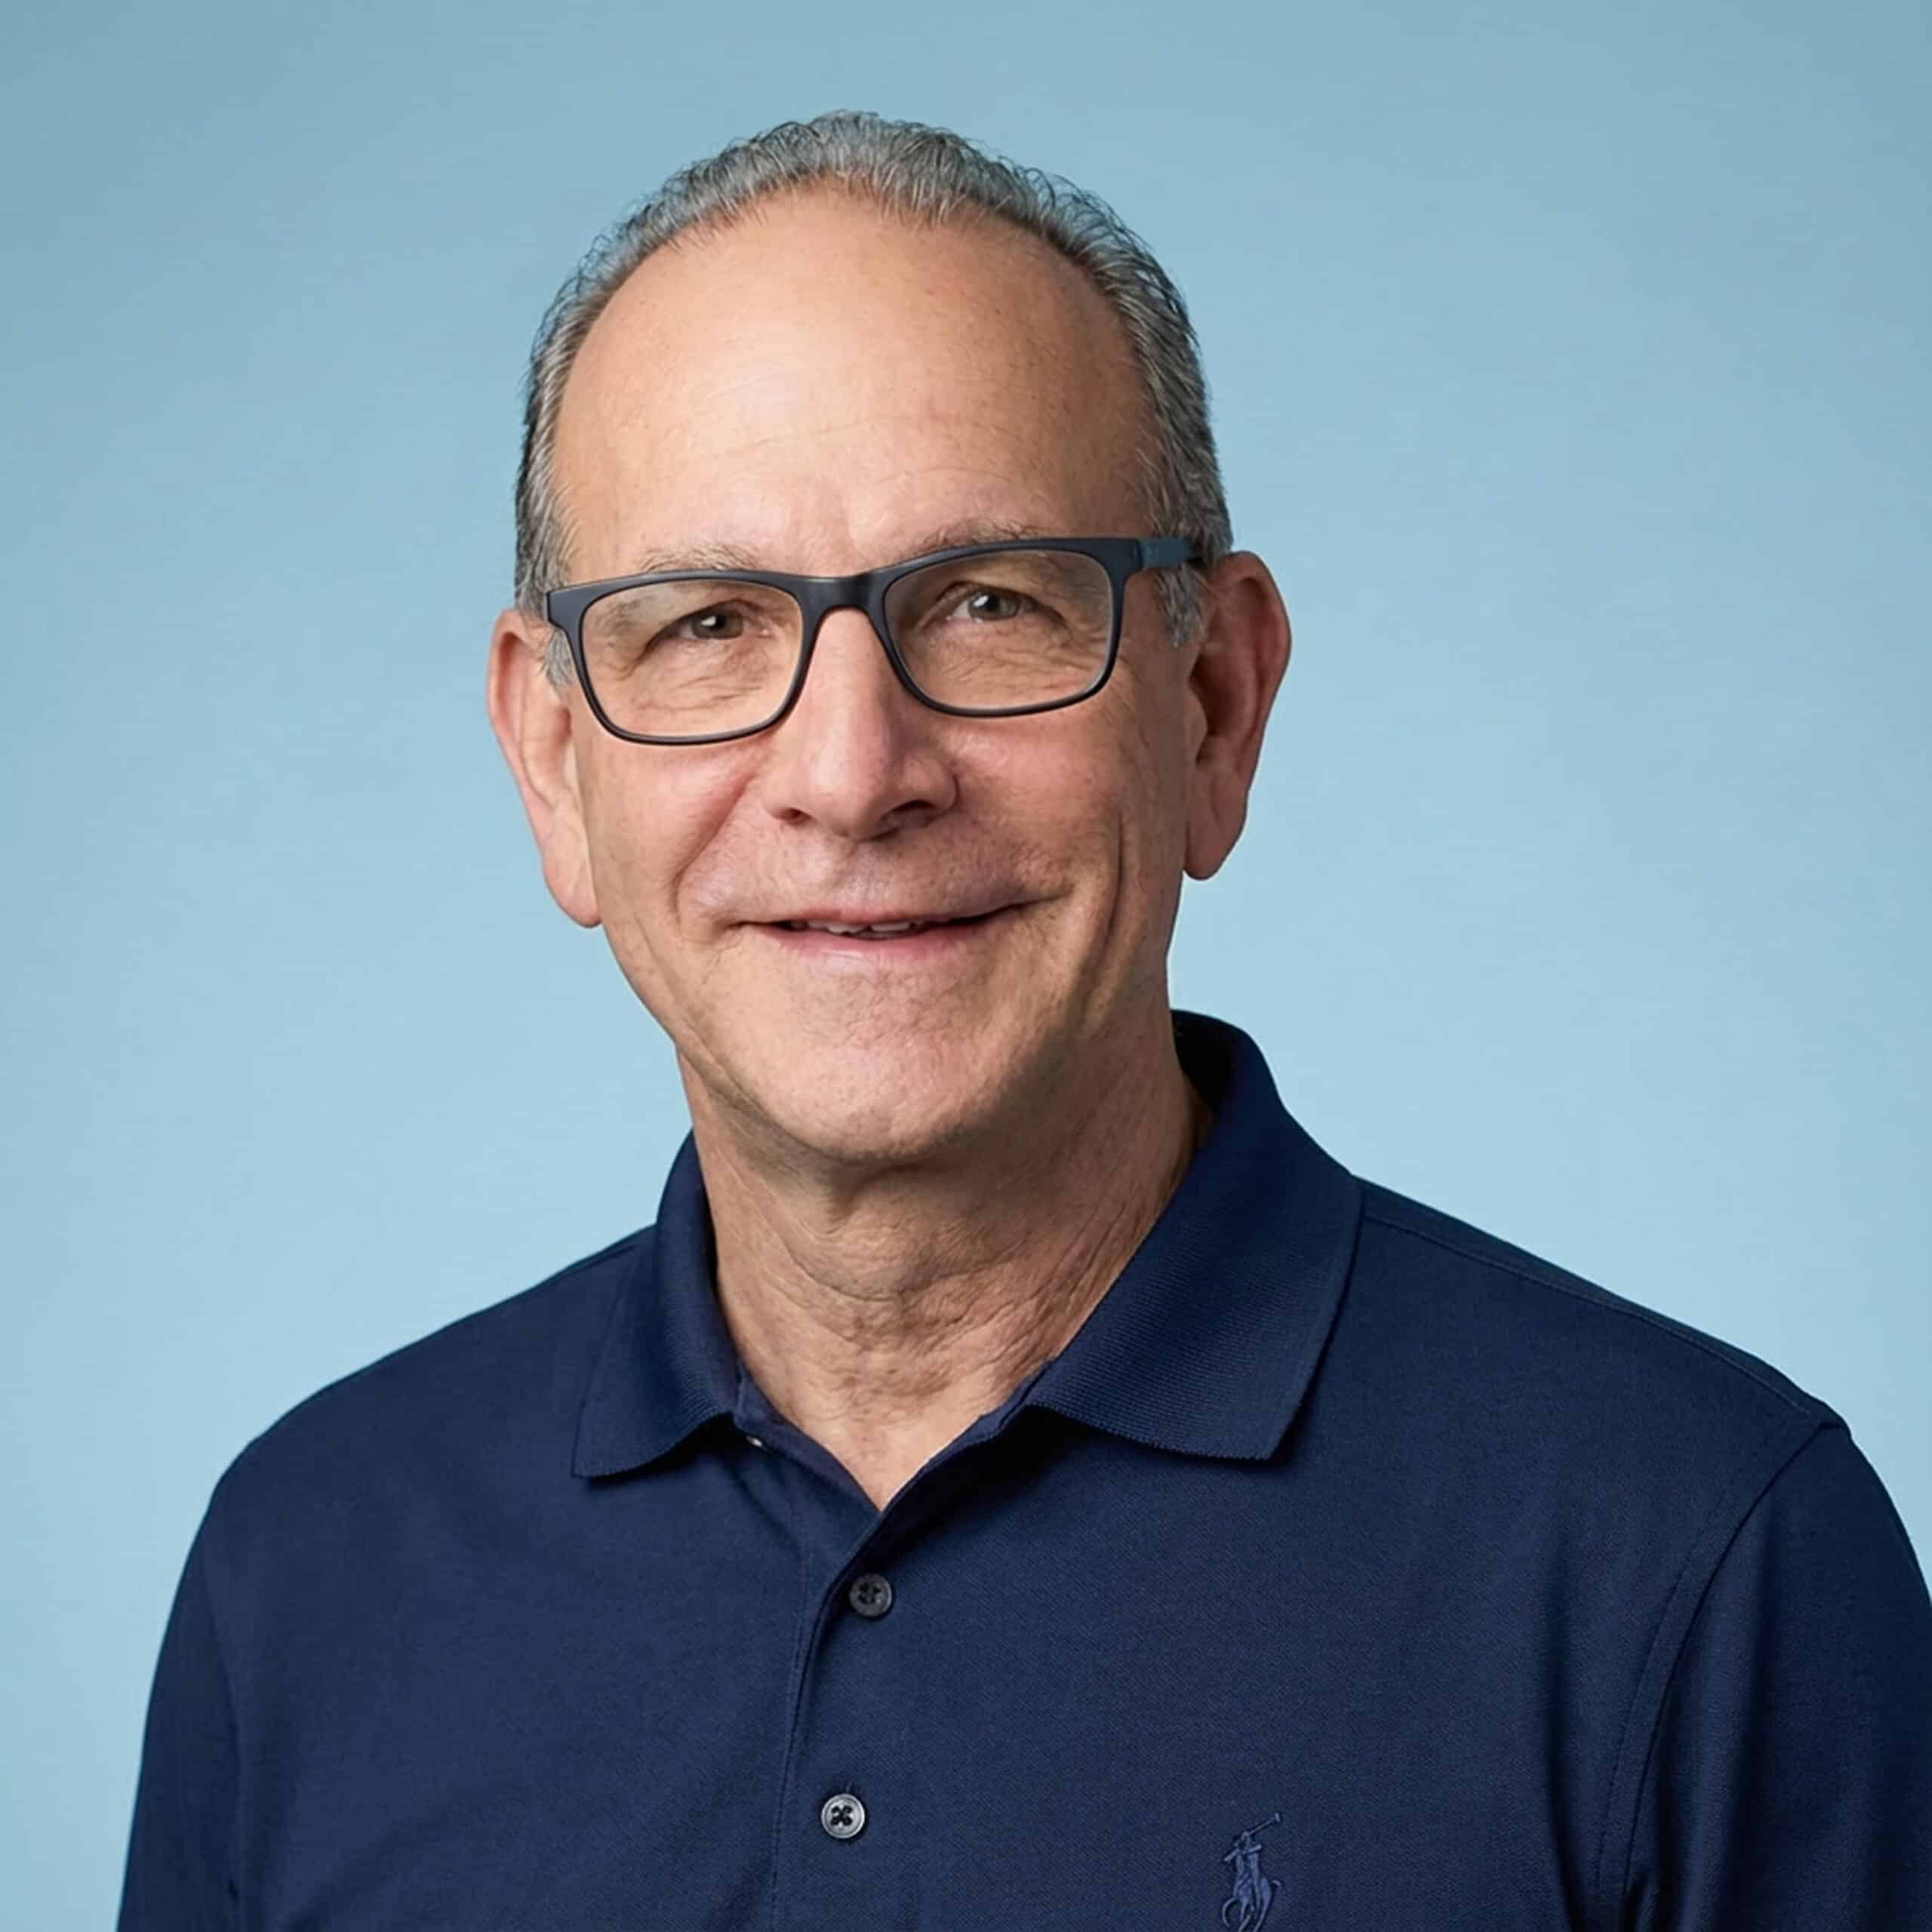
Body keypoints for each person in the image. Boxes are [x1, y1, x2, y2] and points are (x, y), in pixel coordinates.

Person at [118, 109, 1930, 1930]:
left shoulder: (1702, 1561)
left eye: (988, 603)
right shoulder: (307, 1572)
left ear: (1213, 705)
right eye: (707, 626)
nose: (849, 772)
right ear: (550, 759)